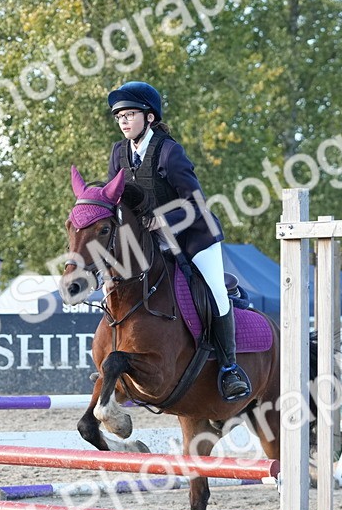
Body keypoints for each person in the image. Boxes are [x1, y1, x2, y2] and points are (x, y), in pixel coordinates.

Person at [106, 80, 250, 401]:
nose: (124, 121)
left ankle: (229, 368)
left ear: (150, 118)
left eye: (130, 114)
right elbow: (114, 199)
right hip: (150, 241)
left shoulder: (170, 152)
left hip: (194, 236)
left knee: (214, 290)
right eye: (119, 117)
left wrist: (165, 218)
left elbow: (195, 201)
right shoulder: (119, 153)